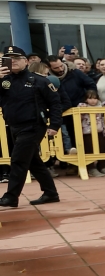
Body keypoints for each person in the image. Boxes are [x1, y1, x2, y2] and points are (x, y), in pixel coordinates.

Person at [0, 45, 62, 207]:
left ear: (26, 61)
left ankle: (11, 196)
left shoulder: (38, 80)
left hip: (33, 126)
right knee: (33, 162)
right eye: (8, 59)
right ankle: (50, 193)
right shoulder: (4, 81)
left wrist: (54, 124)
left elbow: (55, 103)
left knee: (18, 161)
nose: (12, 62)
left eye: (17, 59)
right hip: (14, 126)